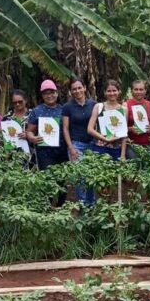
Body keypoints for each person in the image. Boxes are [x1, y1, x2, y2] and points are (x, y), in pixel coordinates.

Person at [62, 78, 96, 207]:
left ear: (85, 88)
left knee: (91, 176)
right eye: (74, 89)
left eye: (79, 88)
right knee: (79, 176)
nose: (77, 91)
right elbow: (65, 128)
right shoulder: (67, 107)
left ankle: (91, 204)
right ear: (71, 92)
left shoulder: (93, 104)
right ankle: (82, 204)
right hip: (76, 144)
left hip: (92, 144)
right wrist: (71, 147)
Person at [26, 80, 68, 170]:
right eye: (45, 93)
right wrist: (32, 138)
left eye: (52, 92)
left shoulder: (64, 109)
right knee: (48, 180)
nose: (49, 96)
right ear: (42, 95)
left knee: (63, 180)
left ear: (56, 93)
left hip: (63, 151)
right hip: (44, 153)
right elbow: (29, 131)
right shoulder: (36, 111)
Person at [87, 80, 128, 160]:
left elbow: (124, 133)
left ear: (119, 92)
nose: (112, 93)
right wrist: (104, 138)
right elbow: (90, 129)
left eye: (114, 90)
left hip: (117, 149)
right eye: (109, 91)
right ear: (105, 92)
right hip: (100, 147)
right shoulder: (99, 107)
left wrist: (123, 155)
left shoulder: (123, 109)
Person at [125, 80, 150, 158]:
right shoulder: (126, 105)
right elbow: (120, 128)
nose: (138, 92)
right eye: (136, 89)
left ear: (145, 90)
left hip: (149, 145)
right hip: (132, 145)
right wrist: (130, 129)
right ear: (132, 90)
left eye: (141, 89)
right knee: (135, 166)